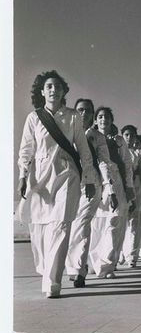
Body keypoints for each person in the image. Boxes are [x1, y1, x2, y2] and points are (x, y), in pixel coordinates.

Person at [17, 70, 96, 298]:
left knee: (61, 225)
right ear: (42, 92)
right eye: (49, 86)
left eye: (58, 86)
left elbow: (83, 149)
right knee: (41, 228)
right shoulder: (33, 118)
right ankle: (46, 271)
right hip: (39, 179)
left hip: (67, 174)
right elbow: (26, 150)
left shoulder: (73, 117)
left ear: (64, 92)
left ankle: (52, 282)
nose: (54, 90)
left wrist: (88, 178)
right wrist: (22, 175)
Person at [65, 98, 117, 287]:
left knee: (82, 223)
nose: (84, 114)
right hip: (70, 183)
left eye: (88, 110)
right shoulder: (68, 130)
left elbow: (104, 162)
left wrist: (109, 189)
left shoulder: (97, 136)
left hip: (92, 184)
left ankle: (80, 270)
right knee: (70, 225)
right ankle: (73, 268)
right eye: (80, 110)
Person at [88, 107, 135, 278]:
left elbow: (127, 164)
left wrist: (129, 186)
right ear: (95, 120)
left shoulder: (119, 140)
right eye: (100, 117)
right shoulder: (90, 136)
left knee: (115, 222)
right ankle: (94, 263)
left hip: (117, 182)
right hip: (95, 182)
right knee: (97, 225)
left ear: (111, 120)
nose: (103, 120)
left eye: (107, 117)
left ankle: (107, 265)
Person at [121, 128, 141, 267]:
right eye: (126, 135)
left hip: (136, 191)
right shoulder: (118, 150)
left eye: (132, 135)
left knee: (134, 224)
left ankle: (131, 256)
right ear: (122, 136)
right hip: (121, 191)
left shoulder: (139, 155)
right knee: (120, 223)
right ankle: (119, 254)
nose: (129, 138)